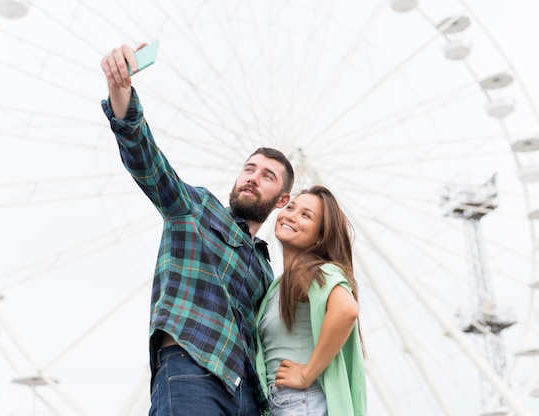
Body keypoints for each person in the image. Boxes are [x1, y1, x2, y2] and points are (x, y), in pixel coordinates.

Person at [100, 43, 295, 416]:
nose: (253, 178)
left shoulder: (267, 268)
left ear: (282, 199)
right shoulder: (194, 208)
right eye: (249, 169)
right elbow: (147, 161)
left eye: (267, 176)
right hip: (194, 369)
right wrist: (120, 92)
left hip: (250, 395)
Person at [256, 185, 367, 416]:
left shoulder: (314, 271)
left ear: (320, 237)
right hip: (284, 403)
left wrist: (307, 373)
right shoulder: (278, 285)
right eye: (290, 207)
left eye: (306, 215)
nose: (291, 216)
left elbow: (346, 309)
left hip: (300, 402)